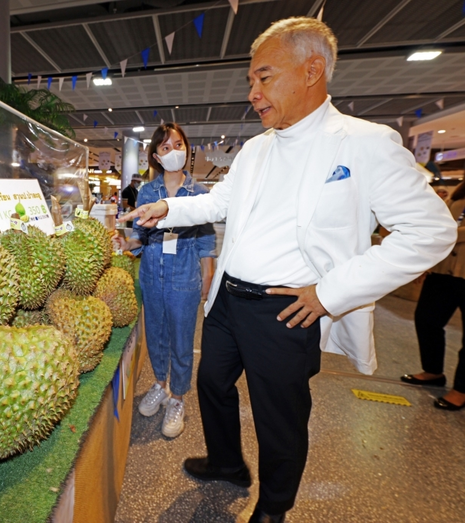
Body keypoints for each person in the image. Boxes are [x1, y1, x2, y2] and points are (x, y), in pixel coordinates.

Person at [123, 17, 456, 523]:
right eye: (251, 81)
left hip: (287, 309)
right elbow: (219, 203)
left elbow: (431, 232)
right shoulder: (257, 148)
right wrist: (167, 210)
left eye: (264, 77)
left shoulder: (364, 143)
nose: (253, 92)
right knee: (212, 383)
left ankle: (274, 508)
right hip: (229, 299)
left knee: (280, 417)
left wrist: (332, 292)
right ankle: (227, 463)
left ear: (312, 70)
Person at [114, 123, 216, 439]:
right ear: (157, 157)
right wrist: (124, 243)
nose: (174, 151)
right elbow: (141, 237)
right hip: (152, 277)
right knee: (156, 336)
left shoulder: (198, 193)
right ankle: (160, 383)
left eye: (179, 144)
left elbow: (205, 239)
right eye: (166, 147)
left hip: (184, 277)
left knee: (182, 341)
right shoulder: (147, 192)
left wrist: (208, 274)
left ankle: (178, 398)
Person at [402, 179, 465, 410]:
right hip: (443, 271)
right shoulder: (457, 195)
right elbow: (438, 226)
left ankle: (461, 389)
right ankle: (433, 371)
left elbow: (443, 233)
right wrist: (427, 261)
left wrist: (446, 235)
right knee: (427, 319)